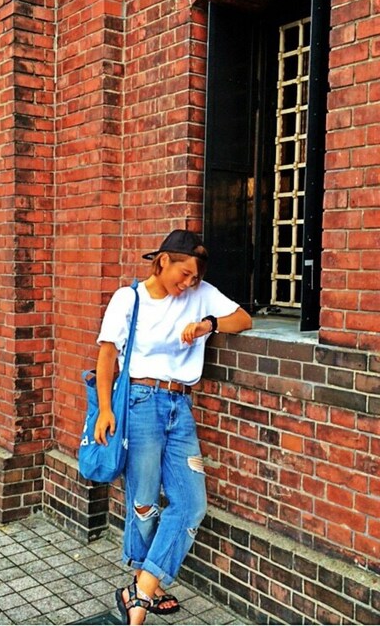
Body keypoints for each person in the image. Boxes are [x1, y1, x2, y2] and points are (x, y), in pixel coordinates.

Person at [94, 230, 252, 625]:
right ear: (163, 261)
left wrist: (207, 325)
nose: (188, 283)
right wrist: (105, 411)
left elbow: (243, 319)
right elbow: (107, 354)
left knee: (191, 503)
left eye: (195, 278)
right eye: (184, 274)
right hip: (139, 402)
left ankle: (141, 590)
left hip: (180, 406)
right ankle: (145, 587)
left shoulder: (200, 295)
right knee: (144, 501)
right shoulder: (128, 298)